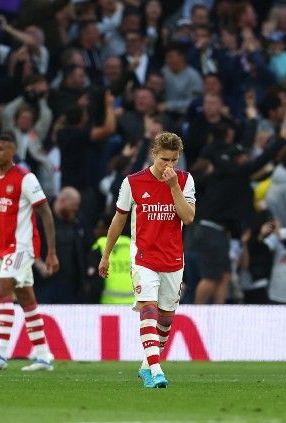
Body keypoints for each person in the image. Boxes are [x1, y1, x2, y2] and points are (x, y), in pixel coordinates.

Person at [98, 132, 196, 389]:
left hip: (173, 259)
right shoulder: (133, 182)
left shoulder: (185, 181)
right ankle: (156, 370)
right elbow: (118, 219)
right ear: (154, 154)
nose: (169, 166)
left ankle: (145, 367)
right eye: (165, 159)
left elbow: (188, 218)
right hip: (143, 257)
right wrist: (106, 255)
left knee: (166, 319)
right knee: (148, 308)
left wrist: (173, 186)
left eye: (174, 160)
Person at [0, 133, 60, 371]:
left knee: (2, 287)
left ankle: (0, 353)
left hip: (23, 246)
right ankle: (43, 356)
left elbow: (45, 213)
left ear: (12, 151)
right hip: (6, 247)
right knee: (26, 299)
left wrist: (51, 251)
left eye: (1, 149)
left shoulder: (25, 178)